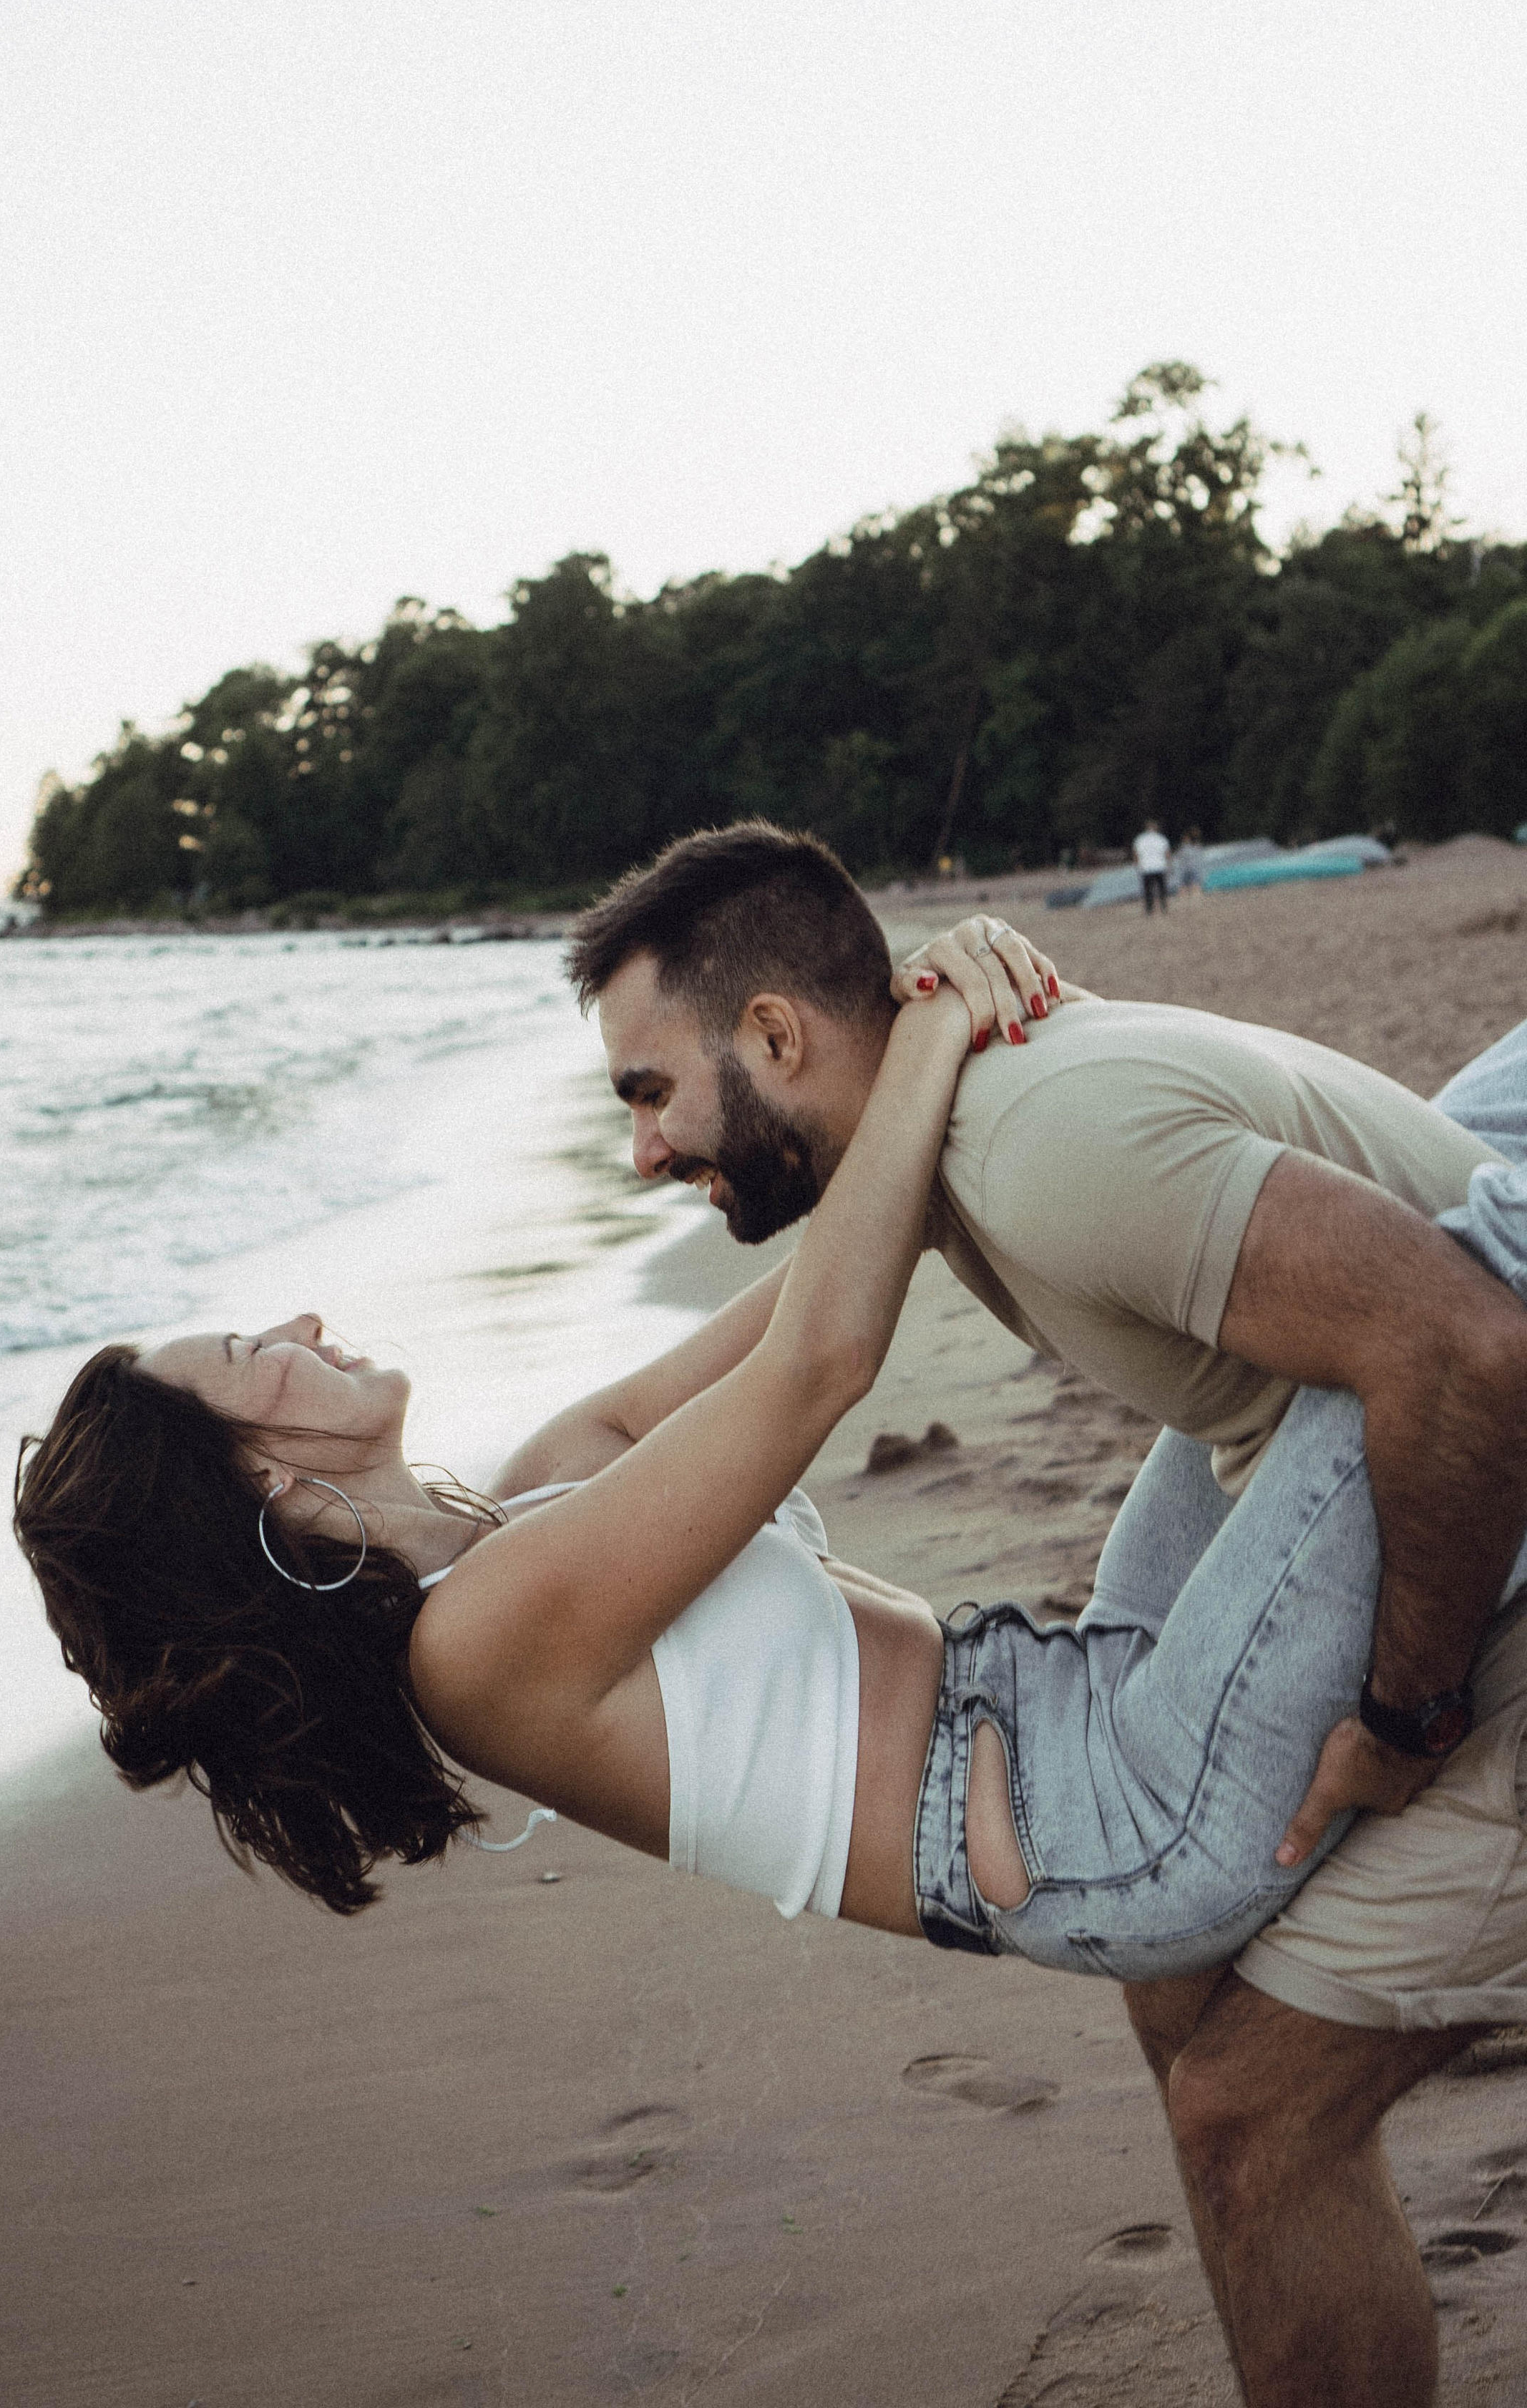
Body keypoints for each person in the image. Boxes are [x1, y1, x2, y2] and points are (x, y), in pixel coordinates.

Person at [567, 822, 1527, 2408]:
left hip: (1492, 1536)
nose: (642, 1154)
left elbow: (1467, 1357)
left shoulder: (1039, 1146)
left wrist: (1409, 1712)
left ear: (776, 1036)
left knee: (1248, 2118)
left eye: (645, 1092)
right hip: (1441, 1504)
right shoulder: (946, 1150)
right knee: (1174, 1996)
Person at [1133, 814, 1171, 914]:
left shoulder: (1140, 839)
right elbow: (1167, 853)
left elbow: (1136, 853)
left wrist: (1137, 865)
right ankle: (1163, 906)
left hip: (1146, 867)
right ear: (1156, 827)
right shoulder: (1161, 839)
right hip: (1160, 866)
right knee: (1161, 888)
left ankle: (1149, 908)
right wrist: (1168, 864)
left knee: (1148, 890)